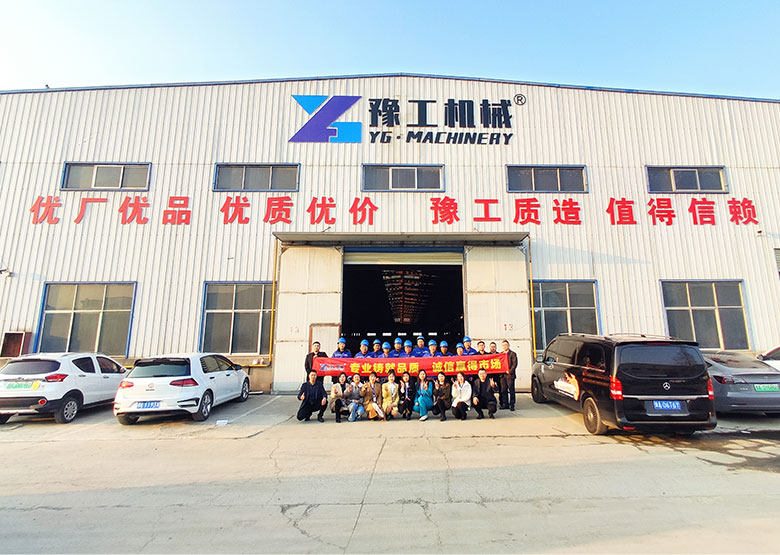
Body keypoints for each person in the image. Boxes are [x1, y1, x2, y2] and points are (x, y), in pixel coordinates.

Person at [500, 339, 518, 411]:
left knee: (511, 390)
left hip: (510, 375)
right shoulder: (501, 354)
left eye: (506, 345)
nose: (505, 346)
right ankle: (505, 404)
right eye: (503, 345)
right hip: (502, 375)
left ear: (508, 345)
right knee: (503, 390)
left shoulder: (512, 354)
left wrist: (510, 371)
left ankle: (512, 404)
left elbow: (514, 364)